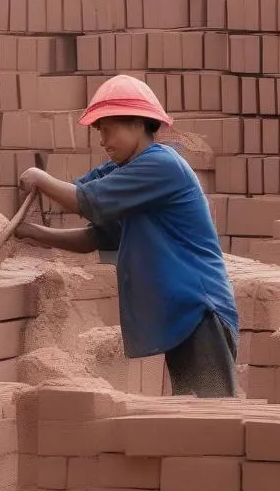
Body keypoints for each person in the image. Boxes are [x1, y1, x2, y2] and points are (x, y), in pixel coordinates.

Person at [16, 74, 240, 398]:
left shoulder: (161, 166)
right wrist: (33, 233)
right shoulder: (127, 172)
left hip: (201, 311)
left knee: (212, 425)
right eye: (99, 132)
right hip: (181, 316)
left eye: (109, 129)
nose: (103, 141)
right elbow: (95, 238)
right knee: (196, 425)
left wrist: (39, 177)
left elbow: (87, 200)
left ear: (137, 124)